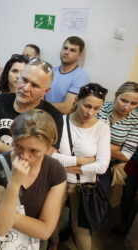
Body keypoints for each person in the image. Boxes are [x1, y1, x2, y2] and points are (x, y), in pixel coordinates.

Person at [0, 109, 66, 248]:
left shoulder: (55, 171)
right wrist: (14, 183)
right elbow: (1, 228)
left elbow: (45, 231)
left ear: (48, 147)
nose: (24, 156)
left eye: (34, 150)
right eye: (18, 146)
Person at [51, 83, 111, 250]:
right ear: (77, 100)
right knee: (50, 223)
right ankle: (53, 244)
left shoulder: (102, 128)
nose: (90, 112)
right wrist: (83, 161)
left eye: (96, 108)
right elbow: (50, 156)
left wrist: (70, 167)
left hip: (84, 186)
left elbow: (102, 166)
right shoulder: (60, 122)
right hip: (58, 182)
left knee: (81, 231)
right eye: (87, 105)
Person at [0, 58, 63, 159]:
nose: (25, 88)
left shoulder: (53, 116)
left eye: (34, 85)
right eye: (24, 80)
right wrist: (25, 155)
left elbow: (42, 159)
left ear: (45, 91)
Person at [96, 82, 138, 235]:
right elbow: (84, 134)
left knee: (96, 199)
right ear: (116, 96)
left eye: (133, 103)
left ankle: (85, 228)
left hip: (107, 166)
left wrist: (98, 143)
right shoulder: (101, 108)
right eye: (123, 100)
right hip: (84, 157)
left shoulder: (136, 120)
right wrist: (115, 147)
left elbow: (126, 155)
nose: (127, 107)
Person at [45, 36, 90, 114]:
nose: (66, 52)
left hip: (62, 121)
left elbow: (67, 108)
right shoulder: (51, 71)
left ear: (79, 55)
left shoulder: (81, 77)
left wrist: (40, 105)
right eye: (65, 48)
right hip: (41, 116)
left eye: (72, 50)